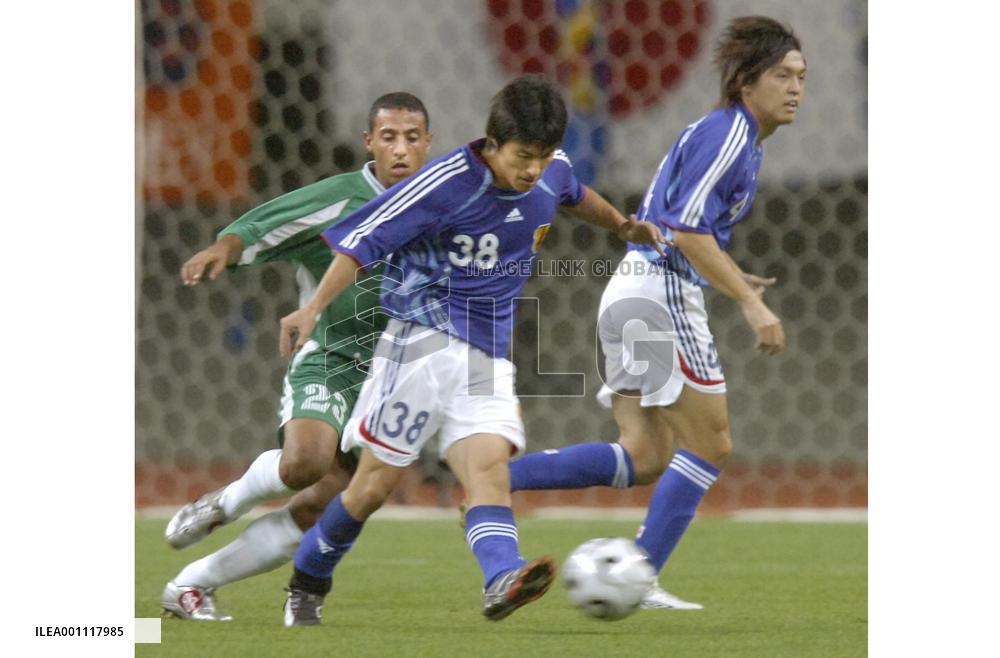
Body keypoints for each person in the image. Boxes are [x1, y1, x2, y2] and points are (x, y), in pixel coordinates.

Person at [277, 74, 668, 626]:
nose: (533, 169)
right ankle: (308, 580)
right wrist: (313, 308)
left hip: (486, 358)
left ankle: (502, 576)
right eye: (523, 156)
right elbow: (359, 242)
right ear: (492, 143)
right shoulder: (443, 184)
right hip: (418, 349)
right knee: (370, 489)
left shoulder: (550, 171)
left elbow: (575, 194)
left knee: (489, 471)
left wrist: (623, 226)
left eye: (543, 156)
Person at [503, 16, 806, 609]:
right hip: (660, 294)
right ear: (746, 82)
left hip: (633, 290)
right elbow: (686, 230)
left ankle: (492, 481)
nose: (795, 87)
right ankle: (639, 579)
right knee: (711, 444)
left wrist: (729, 272)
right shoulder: (731, 134)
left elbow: (685, 226)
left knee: (644, 456)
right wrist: (750, 304)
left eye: (801, 76)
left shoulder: (735, 137)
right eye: (781, 75)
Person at [160, 92, 434, 621]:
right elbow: (261, 225)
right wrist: (223, 248)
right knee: (305, 462)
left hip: (398, 378)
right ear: (369, 142)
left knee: (324, 507)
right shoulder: (338, 199)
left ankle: (191, 586)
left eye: (411, 137)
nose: (400, 149)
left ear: (428, 142)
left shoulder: (444, 202)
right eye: (389, 137)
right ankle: (224, 502)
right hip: (331, 355)